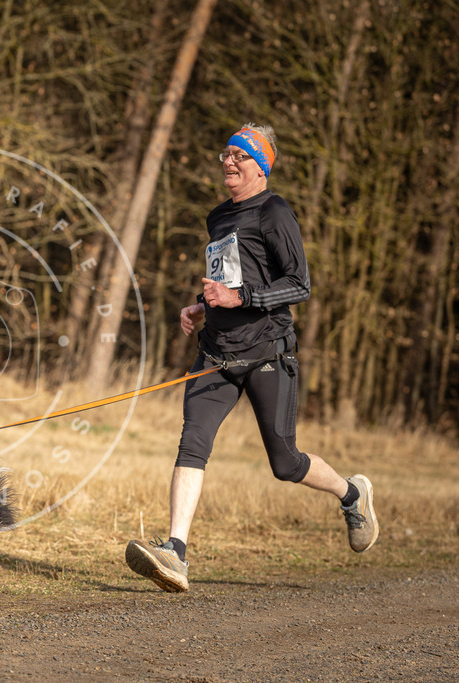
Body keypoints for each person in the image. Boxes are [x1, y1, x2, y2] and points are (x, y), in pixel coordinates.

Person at [124, 123, 378, 593]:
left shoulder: (275, 211)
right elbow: (232, 277)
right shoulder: (217, 217)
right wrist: (204, 305)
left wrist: (237, 298)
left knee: (285, 463)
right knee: (193, 440)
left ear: (260, 168)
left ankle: (351, 492)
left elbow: (299, 284)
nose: (228, 162)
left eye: (240, 156)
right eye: (226, 154)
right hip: (216, 353)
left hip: (267, 352)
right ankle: (175, 553)